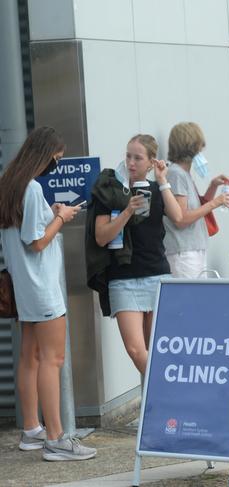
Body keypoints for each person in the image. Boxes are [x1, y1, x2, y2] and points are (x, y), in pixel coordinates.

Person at [0, 127, 96, 461]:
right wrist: (62, 216)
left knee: (30, 358)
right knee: (52, 360)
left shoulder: (10, 185)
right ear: (43, 155)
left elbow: (26, 230)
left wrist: (49, 213)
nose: (56, 164)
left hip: (24, 288)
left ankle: (32, 431)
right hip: (41, 288)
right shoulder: (30, 189)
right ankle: (56, 439)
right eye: (56, 159)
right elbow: (37, 241)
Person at [91, 135, 183, 374]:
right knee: (135, 350)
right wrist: (127, 211)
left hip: (156, 274)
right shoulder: (111, 191)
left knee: (158, 349)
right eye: (128, 156)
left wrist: (162, 181)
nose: (131, 163)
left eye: (138, 158)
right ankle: (165, 393)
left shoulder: (156, 188)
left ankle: (156, 403)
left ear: (151, 162)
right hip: (123, 278)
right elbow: (101, 237)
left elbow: (178, 217)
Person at [163, 122, 229, 278]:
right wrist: (216, 203)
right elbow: (181, 218)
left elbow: (197, 209)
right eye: (199, 145)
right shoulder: (176, 174)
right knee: (190, 299)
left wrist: (213, 186)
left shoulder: (184, 173)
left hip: (194, 249)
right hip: (183, 252)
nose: (201, 150)